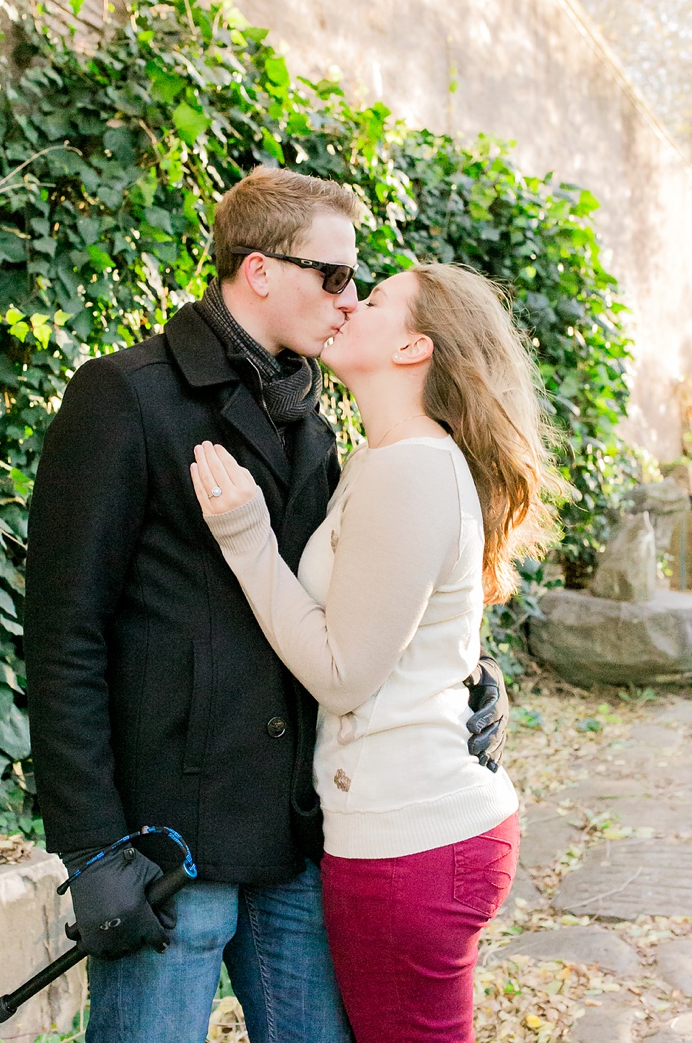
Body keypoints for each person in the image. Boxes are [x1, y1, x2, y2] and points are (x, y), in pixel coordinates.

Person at [23, 167, 506, 1043]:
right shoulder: (125, 397)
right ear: (260, 271)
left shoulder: (316, 423)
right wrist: (91, 846)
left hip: (297, 832)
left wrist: (465, 669)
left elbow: (351, 597)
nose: (349, 300)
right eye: (334, 276)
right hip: (169, 841)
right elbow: (65, 636)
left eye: (357, 282)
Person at [192, 261, 558, 1042]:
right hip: (404, 834)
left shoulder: (413, 466)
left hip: (412, 841)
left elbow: (344, 674)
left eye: (378, 298)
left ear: (414, 347)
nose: (350, 302)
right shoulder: (381, 458)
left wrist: (248, 541)